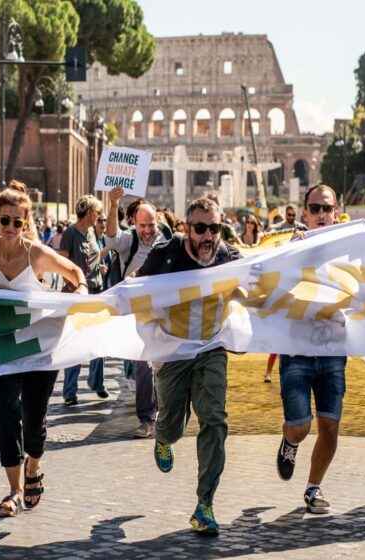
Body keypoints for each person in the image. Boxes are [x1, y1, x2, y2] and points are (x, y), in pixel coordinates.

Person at [0, 188, 87, 517]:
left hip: (40, 349)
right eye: (4, 220)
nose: (9, 226)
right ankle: (14, 492)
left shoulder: (36, 253)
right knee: (6, 414)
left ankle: (33, 468)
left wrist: (80, 295)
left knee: (34, 420)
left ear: (25, 223)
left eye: (16, 222)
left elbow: (75, 274)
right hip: (4, 349)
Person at [138, 197, 242, 536]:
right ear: (187, 228)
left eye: (215, 228)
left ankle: (205, 504)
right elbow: (133, 288)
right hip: (172, 352)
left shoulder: (226, 255)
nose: (209, 236)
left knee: (214, 418)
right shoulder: (165, 256)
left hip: (211, 347)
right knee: (171, 426)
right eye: (200, 228)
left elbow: (267, 270)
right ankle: (163, 438)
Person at [271, 184, 352, 514]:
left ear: (336, 213)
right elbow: (269, 286)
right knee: (301, 427)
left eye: (326, 208)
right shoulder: (289, 247)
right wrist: (289, 256)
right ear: (304, 213)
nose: (321, 214)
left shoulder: (350, 248)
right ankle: (289, 440)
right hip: (296, 351)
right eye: (314, 208)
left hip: (333, 350)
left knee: (330, 426)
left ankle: (313, 488)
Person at [103, 187, 171, 438]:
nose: (147, 230)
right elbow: (111, 236)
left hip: (163, 311)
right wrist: (112, 205)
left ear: (157, 221)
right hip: (136, 313)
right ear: (134, 223)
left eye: (151, 224)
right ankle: (147, 419)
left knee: (165, 364)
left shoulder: (167, 239)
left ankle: (168, 411)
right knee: (143, 364)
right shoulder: (129, 240)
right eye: (142, 225)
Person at [58, 195, 108, 406]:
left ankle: (97, 383)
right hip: (78, 294)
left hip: (96, 291)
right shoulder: (70, 233)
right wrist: (73, 285)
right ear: (88, 213)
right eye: (97, 213)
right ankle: (70, 392)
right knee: (76, 343)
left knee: (99, 340)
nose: (98, 217)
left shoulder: (92, 233)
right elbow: (62, 263)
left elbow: (93, 259)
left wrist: (100, 267)